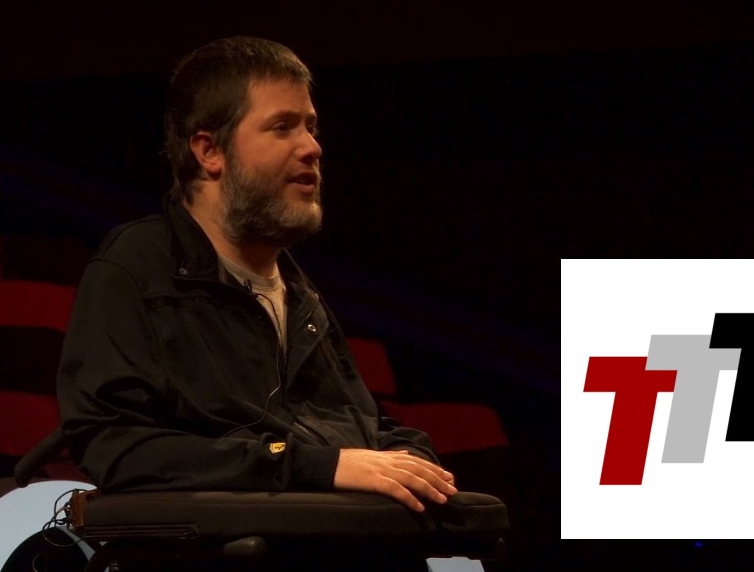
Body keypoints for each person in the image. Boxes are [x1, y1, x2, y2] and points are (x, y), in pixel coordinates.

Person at [57, 36, 457, 515]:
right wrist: (311, 465)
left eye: (311, 127)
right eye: (283, 127)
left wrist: (409, 459)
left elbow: (356, 425)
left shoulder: (298, 291)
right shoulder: (137, 265)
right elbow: (116, 445)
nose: (312, 147)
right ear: (210, 151)